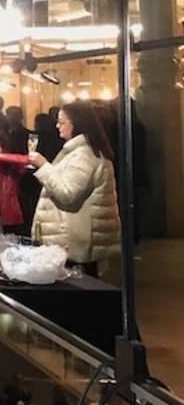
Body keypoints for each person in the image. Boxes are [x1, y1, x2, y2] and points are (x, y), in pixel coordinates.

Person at [27, 101, 120, 275]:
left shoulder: (84, 155)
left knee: (79, 293)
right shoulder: (76, 151)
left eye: (62, 122)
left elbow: (67, 193)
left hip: (74, 241)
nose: (57, 126)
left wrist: (43, 166)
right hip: (70, 237)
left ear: (77, 123)